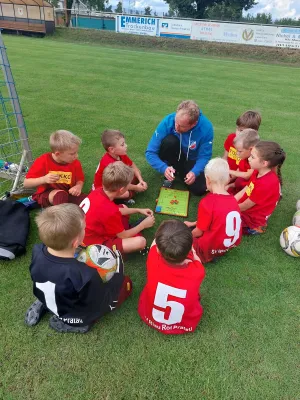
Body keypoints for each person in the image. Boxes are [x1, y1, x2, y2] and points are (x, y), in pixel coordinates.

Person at [24, 204, 132, 333]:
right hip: (73, 313)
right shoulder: (85, 274)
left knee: (57, 288)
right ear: (76, 242)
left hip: (46, 293)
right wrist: (117, 272)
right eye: (84, 229)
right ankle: (73, 324)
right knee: (125, 285)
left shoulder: (37, 251)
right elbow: (98, 299)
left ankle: (45, 302)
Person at [138, 220, 205, 335]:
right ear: (189, 249)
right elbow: (196, 260)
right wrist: (191, 251)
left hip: (149, 317)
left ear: (158, 250)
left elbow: (155, 243)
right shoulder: (198, 271)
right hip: (183, 325)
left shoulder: (153, 258)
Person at [81, 162, 155, 254]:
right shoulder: (109, 211)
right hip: (92, 245)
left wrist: (138, 210)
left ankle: (127, 229)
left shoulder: (98, 191)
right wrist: (143, 225)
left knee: (123, 206)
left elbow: (117, 210)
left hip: (84, 232)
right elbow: (123, 235)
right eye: (128, 185)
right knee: (141, 242)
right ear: (121, 190)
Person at [145, 100, 213, 196]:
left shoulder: (206, 128)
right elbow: (150, 152)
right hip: (172, 155)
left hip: (191, 160)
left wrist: (194, 172)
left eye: (181, 126)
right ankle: (170, 171)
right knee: (170, 141)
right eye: (176, 122)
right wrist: (163, 168)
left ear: (193, 124)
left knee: (200, 189)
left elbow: (204, 156)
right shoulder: (168, 121)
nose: (176, 127)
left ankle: (180, 172)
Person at [185, 158, 242, 264]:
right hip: (227, 245)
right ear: (228, 179)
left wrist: (186, 236)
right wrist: (193, 223)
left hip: (209, 247)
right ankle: (214, 253)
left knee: (179, 236)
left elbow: (198, 231)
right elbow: (217, 219)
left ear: (207, 179)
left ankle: (207, 255)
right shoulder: (233, 200)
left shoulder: (207, 202)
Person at [24, 130, 86, 207]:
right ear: (57, 154)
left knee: (87, 201)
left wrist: (78, 186)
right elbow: (26, 183)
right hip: (48, 194)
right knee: (61, 195)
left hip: (69, 193)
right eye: (72, 154)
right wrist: (44, 179)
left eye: (76, 152)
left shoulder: (75, 162)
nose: (76, 156)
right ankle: (59, 217)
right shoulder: (43, 161)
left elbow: (80, 179)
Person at [235, 141, 285, 235]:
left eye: (252, 157)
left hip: (252, 220)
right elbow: (247, 188)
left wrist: (227, 209)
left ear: (264, 163)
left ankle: (255, 228)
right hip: (247, 210)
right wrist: (232, 200)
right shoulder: (258, 171)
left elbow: (246, 205)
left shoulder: (266, 184)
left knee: (221, 222)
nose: (249, 158)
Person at [93, 129, 148, 203]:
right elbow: (120, 183)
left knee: (136, 173)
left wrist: (141, 180)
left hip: (117, 182)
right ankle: (124, 199)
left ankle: (132, 191)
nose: (126, 146)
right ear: (112, 149)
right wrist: (136, 188)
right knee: (126, 194)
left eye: (124, 143)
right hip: (104, 189)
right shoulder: (110, 163)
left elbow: (133, 165)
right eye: (122, 145)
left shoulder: (120, 154)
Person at [227, 129, 260, 193]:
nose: (237, 153)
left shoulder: (256, 162)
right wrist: (225, 183)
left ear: (251, 149)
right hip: (241, 187)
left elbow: (246, 175)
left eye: (240, 151)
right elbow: (238, 171)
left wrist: (227, 170)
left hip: (250, 191)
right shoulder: (244, 158)